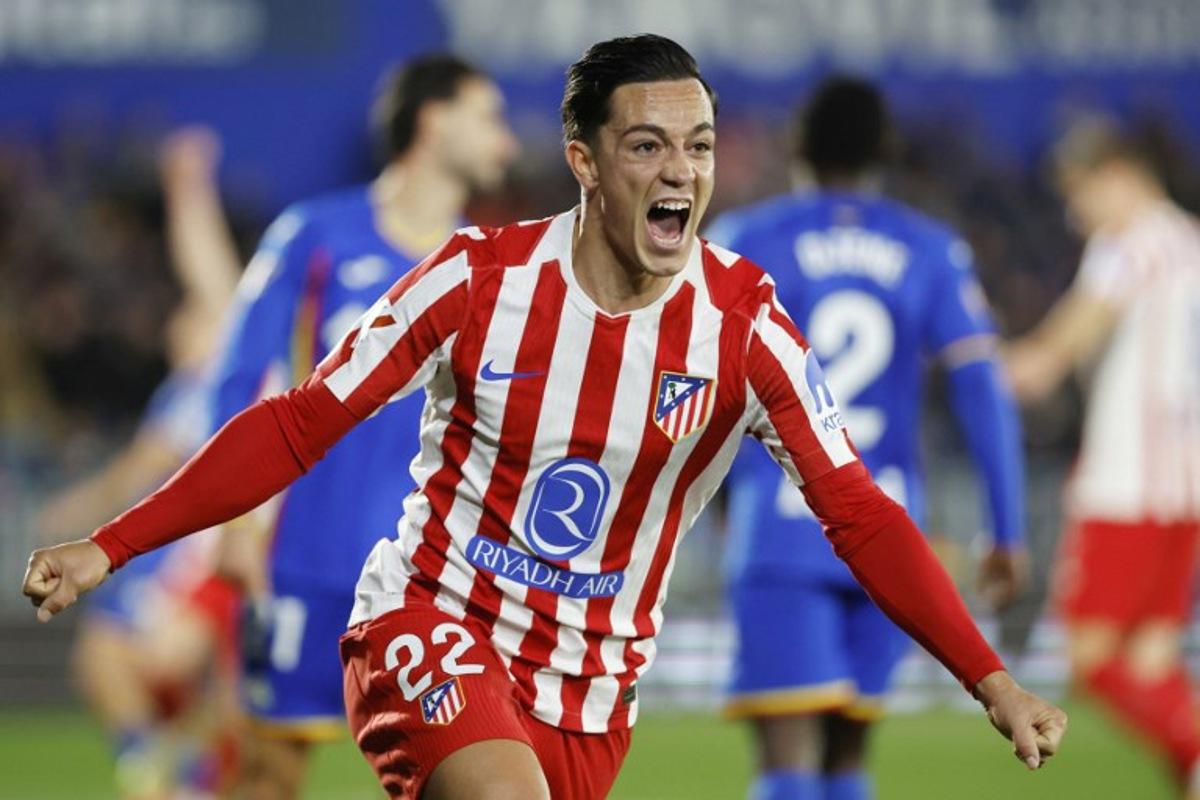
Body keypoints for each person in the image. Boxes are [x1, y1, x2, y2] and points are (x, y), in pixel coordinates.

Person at [25, 35, 1066, 800]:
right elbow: (299, 422)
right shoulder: (476, 281)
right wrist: (111, 545)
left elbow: (860, 510)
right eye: (648, 146)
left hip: (589, 691)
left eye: (698, 147)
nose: (680, 173)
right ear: (583, 158)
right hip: (427, 623)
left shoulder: (745, 325)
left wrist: (991, 677)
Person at [197, 54, 517, 799]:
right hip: (304, 558)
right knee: (269, 773)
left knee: (461, 776)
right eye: (488, 116)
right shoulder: (312, 236)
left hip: (437, 578)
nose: (505, 139)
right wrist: (236, 522)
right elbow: (241, 378)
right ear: (433, 121)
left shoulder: (496, 268)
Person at [704, 77, 1027, 800]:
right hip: (889, 536)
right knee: (846, 763)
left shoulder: (747, 240)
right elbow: (982, 390)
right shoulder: (930, 249)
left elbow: (701, 389)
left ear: (798, 147)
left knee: (787, 760)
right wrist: (1007, 531)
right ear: (885, 149)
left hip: (779, 532)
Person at [33, 127, 243, 799]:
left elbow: (211, 283)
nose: (184, 315)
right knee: (119, 666)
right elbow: (136, 473)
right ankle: (175, 773)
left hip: (213, 556)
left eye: (197, 313)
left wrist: (188, 187)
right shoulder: (180, 394)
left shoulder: (225, 376)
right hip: (175, 557)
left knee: (129, 658)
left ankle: (172, 773)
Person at [1006, 118, 1200, 797]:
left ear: (1116, 177)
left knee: (1091, 663)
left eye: (1077, 193)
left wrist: (982, 368)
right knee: (1149, 666)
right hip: (1184, 491)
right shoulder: (1189, 243)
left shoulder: (1130, 243)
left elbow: (1056, 351)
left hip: (1126, 486)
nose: (1073, 213)